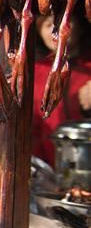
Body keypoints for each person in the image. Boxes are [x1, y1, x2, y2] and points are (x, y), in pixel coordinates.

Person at [32, 14, 91, 166]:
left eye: (63, 22)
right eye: (48, 25)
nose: (56, 30)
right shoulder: (33, 72)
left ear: (80, 25)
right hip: (43, 170)